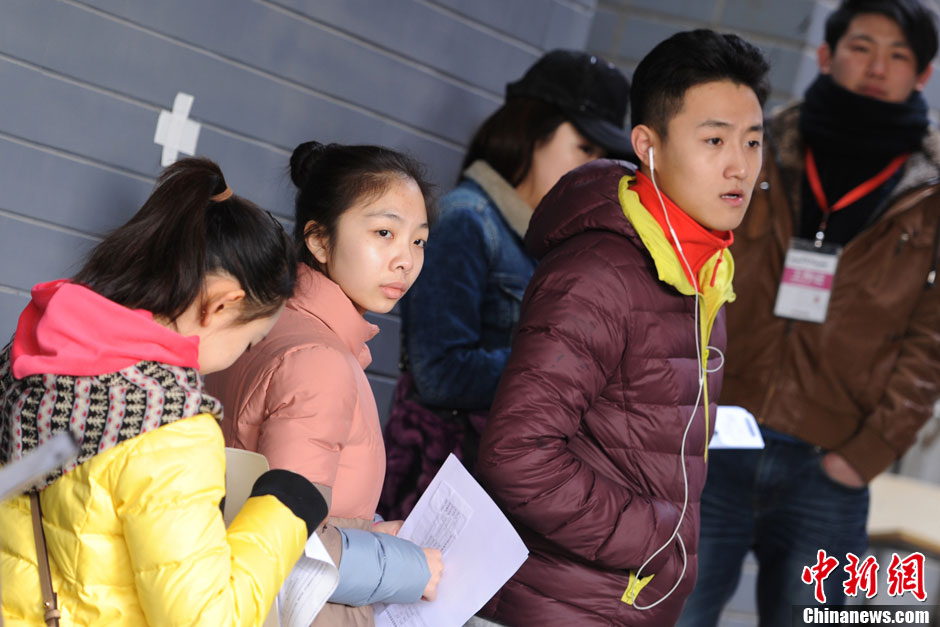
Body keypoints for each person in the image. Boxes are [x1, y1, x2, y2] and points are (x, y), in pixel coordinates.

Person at [475, 30, 769, 626]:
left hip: (620, 602)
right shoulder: (601, 272)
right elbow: (516, 454)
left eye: (754, 142)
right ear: (648, 146)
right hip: (556, 604)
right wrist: (655, 538)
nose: (740, 165)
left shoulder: (698, 269)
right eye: (714, 140)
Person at [678, 2, 940, 625]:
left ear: (923, 75)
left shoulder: (931, 193)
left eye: (898, 55)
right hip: (715, 439)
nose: (877, 66)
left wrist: (867, 454)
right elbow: (694, 270)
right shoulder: (758, 151)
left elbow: (932, 341)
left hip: (832, 468)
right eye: (861, 46)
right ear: (825, 56)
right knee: (675, 614)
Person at [0, 157, 328, 626]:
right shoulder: (170, 427)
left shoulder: (30, 353)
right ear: (220, 305)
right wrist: (286, 507)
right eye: (250, 341)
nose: (243, 355)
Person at [380, 49, 632, 520]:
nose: (594, 169)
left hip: (505, 480)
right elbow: (440, 373)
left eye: (605, 156)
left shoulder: (561, 236)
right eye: (584, 149)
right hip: (442, 480)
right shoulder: (466, 221)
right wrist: (563, 368)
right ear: (532, 131)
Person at [206, 141, 443, 627]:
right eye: (384, 232)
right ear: (317, 240)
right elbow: (287, 546)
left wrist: (374, 534)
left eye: (418, 241)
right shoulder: (321, 360)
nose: (406, 260)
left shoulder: (260, 324)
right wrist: (412, 569)